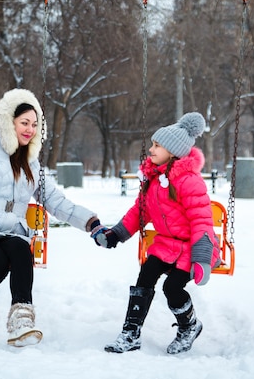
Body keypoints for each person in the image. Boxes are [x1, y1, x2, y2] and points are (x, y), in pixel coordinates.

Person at [0, 88, 103, 354]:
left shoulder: (32, 164)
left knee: (20, 250)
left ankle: (21, 320)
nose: (30, 129)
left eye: (34, 125)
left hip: (10, 234)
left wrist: (91, 222)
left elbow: (56, 202)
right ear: (8, 122)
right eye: (24, 122)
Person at [90, 112, 220, 355]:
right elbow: (140, 212)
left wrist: (202, 258)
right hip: (166, 245)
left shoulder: (189, 181)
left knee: (172, 289)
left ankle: (189, 326)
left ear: (173, 152)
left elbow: (202, 221)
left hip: (191, 248)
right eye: (152, 144)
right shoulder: (154, 179)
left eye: (157, 145)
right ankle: (131, 332)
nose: (151, 149)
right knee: (145, 276)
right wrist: (116, 234)